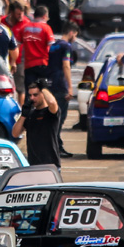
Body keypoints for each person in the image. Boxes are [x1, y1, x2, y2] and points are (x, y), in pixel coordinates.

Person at [12, 79, 62, 167]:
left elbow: (52, 102)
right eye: (30, 95)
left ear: (43, 95)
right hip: (33, 164)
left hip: (50, 164)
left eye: (35, 95)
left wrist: (43, 88)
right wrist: (23, 115)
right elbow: (15, 133)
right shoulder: (30, 114)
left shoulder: (50, 112)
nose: (32, 98)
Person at [46, 22, 77, 158]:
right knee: (60, 118)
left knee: (53, 116)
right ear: (71, 33)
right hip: (60, 84)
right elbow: (66, 66)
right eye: (75, 35)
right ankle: (55, 147)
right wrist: (70, 87)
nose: (75, 38)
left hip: (51, 83)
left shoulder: (53, 46)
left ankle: (56, 145)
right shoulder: (66, 46)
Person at [20, 5, 55, 88]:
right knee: (42, 91)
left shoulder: (24, 28)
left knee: (29, 91)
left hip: (28, 65)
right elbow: (51, 48)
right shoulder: (46, 28)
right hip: (42, 64)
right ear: (44, 16)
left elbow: (17, 46)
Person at [2, 0, 29, 105]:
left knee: (20, 88)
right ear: (12, 12)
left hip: (19, 60)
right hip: (3, 60)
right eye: (18, 14)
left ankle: (22, 113)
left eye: (22, 13)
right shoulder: (3, 22)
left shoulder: (26, 23)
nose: (21, 16)